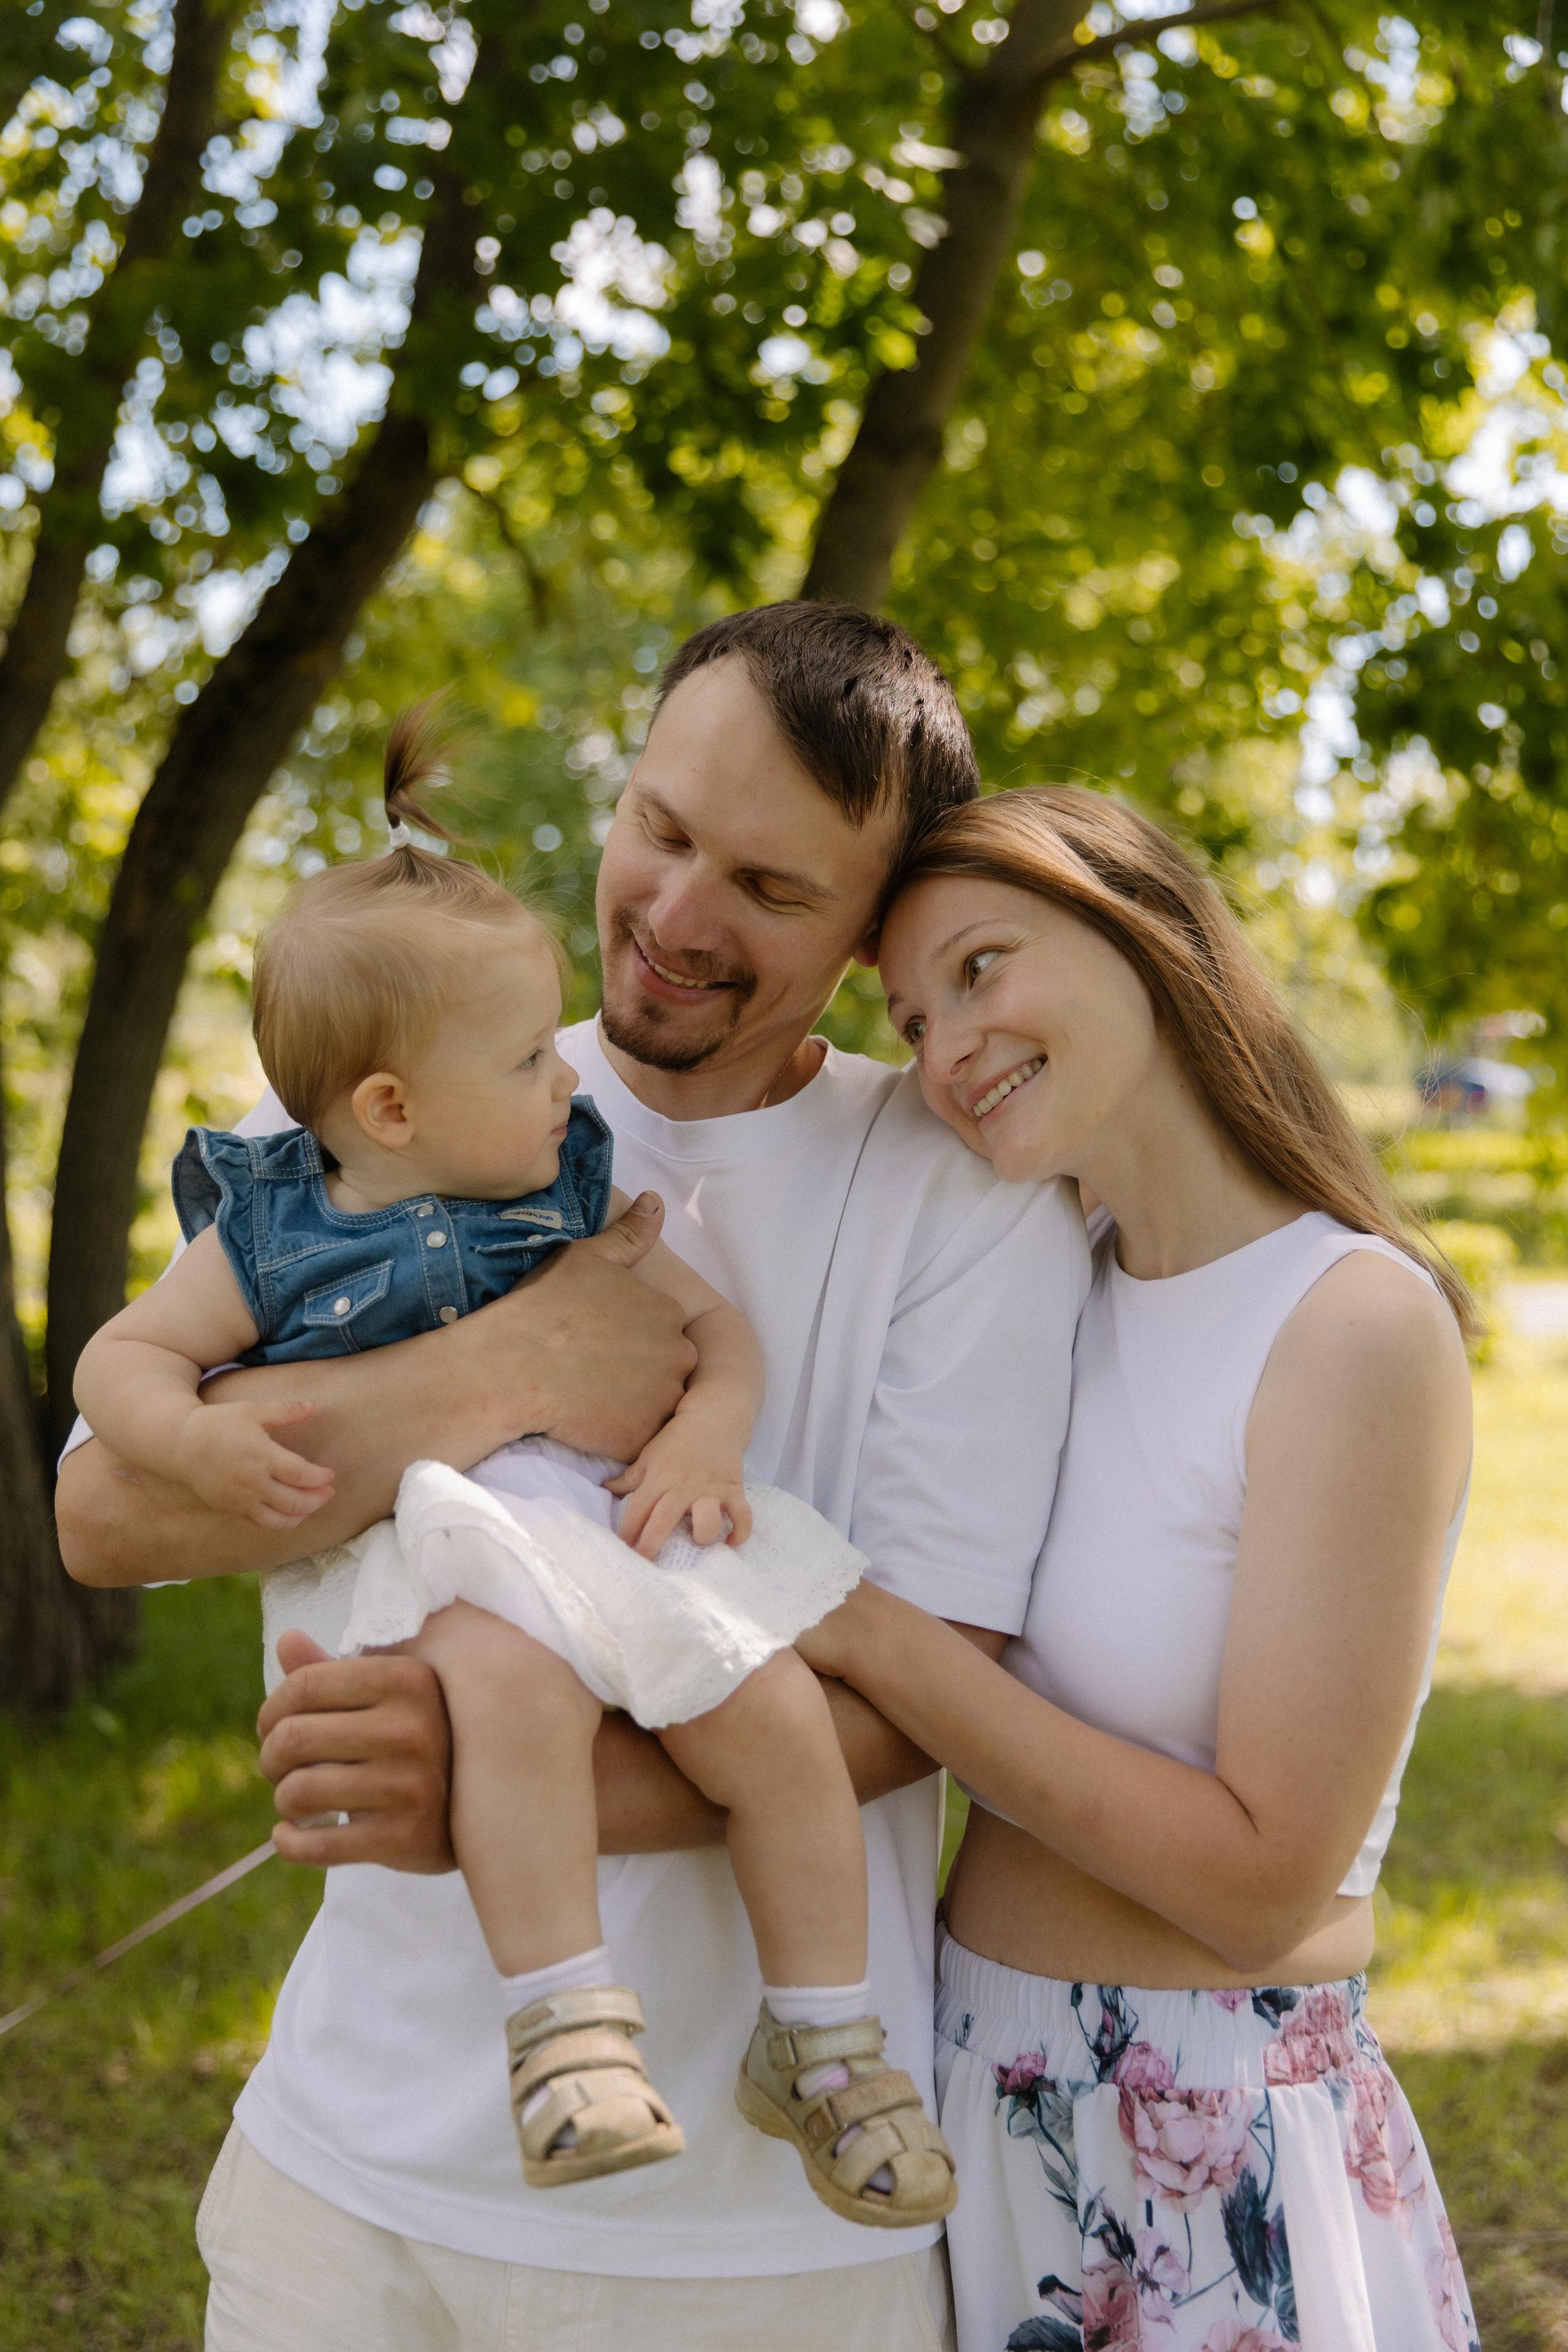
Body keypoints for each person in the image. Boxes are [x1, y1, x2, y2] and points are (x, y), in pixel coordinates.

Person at [59, 605, 1090, 2350]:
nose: (679, 917)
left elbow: (937, 1690)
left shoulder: (958, 1195)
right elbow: (108, 1509)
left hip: (751, 2248)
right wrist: (519, 1368)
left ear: (873, 927)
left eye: (769, 890)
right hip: (356, 2178)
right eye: (663, 831)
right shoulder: (414, 1088)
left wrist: (480, 1772)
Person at [796, 785, 1480, 2350]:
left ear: (1143, 933)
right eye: (910, 1019)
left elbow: (1259, 1883)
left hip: (1201, 2139)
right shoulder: (1045, 1287)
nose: (945, 1046)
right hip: (968, 2090)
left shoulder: (1347, 1323)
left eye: (978, 968)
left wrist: (883, 1645)